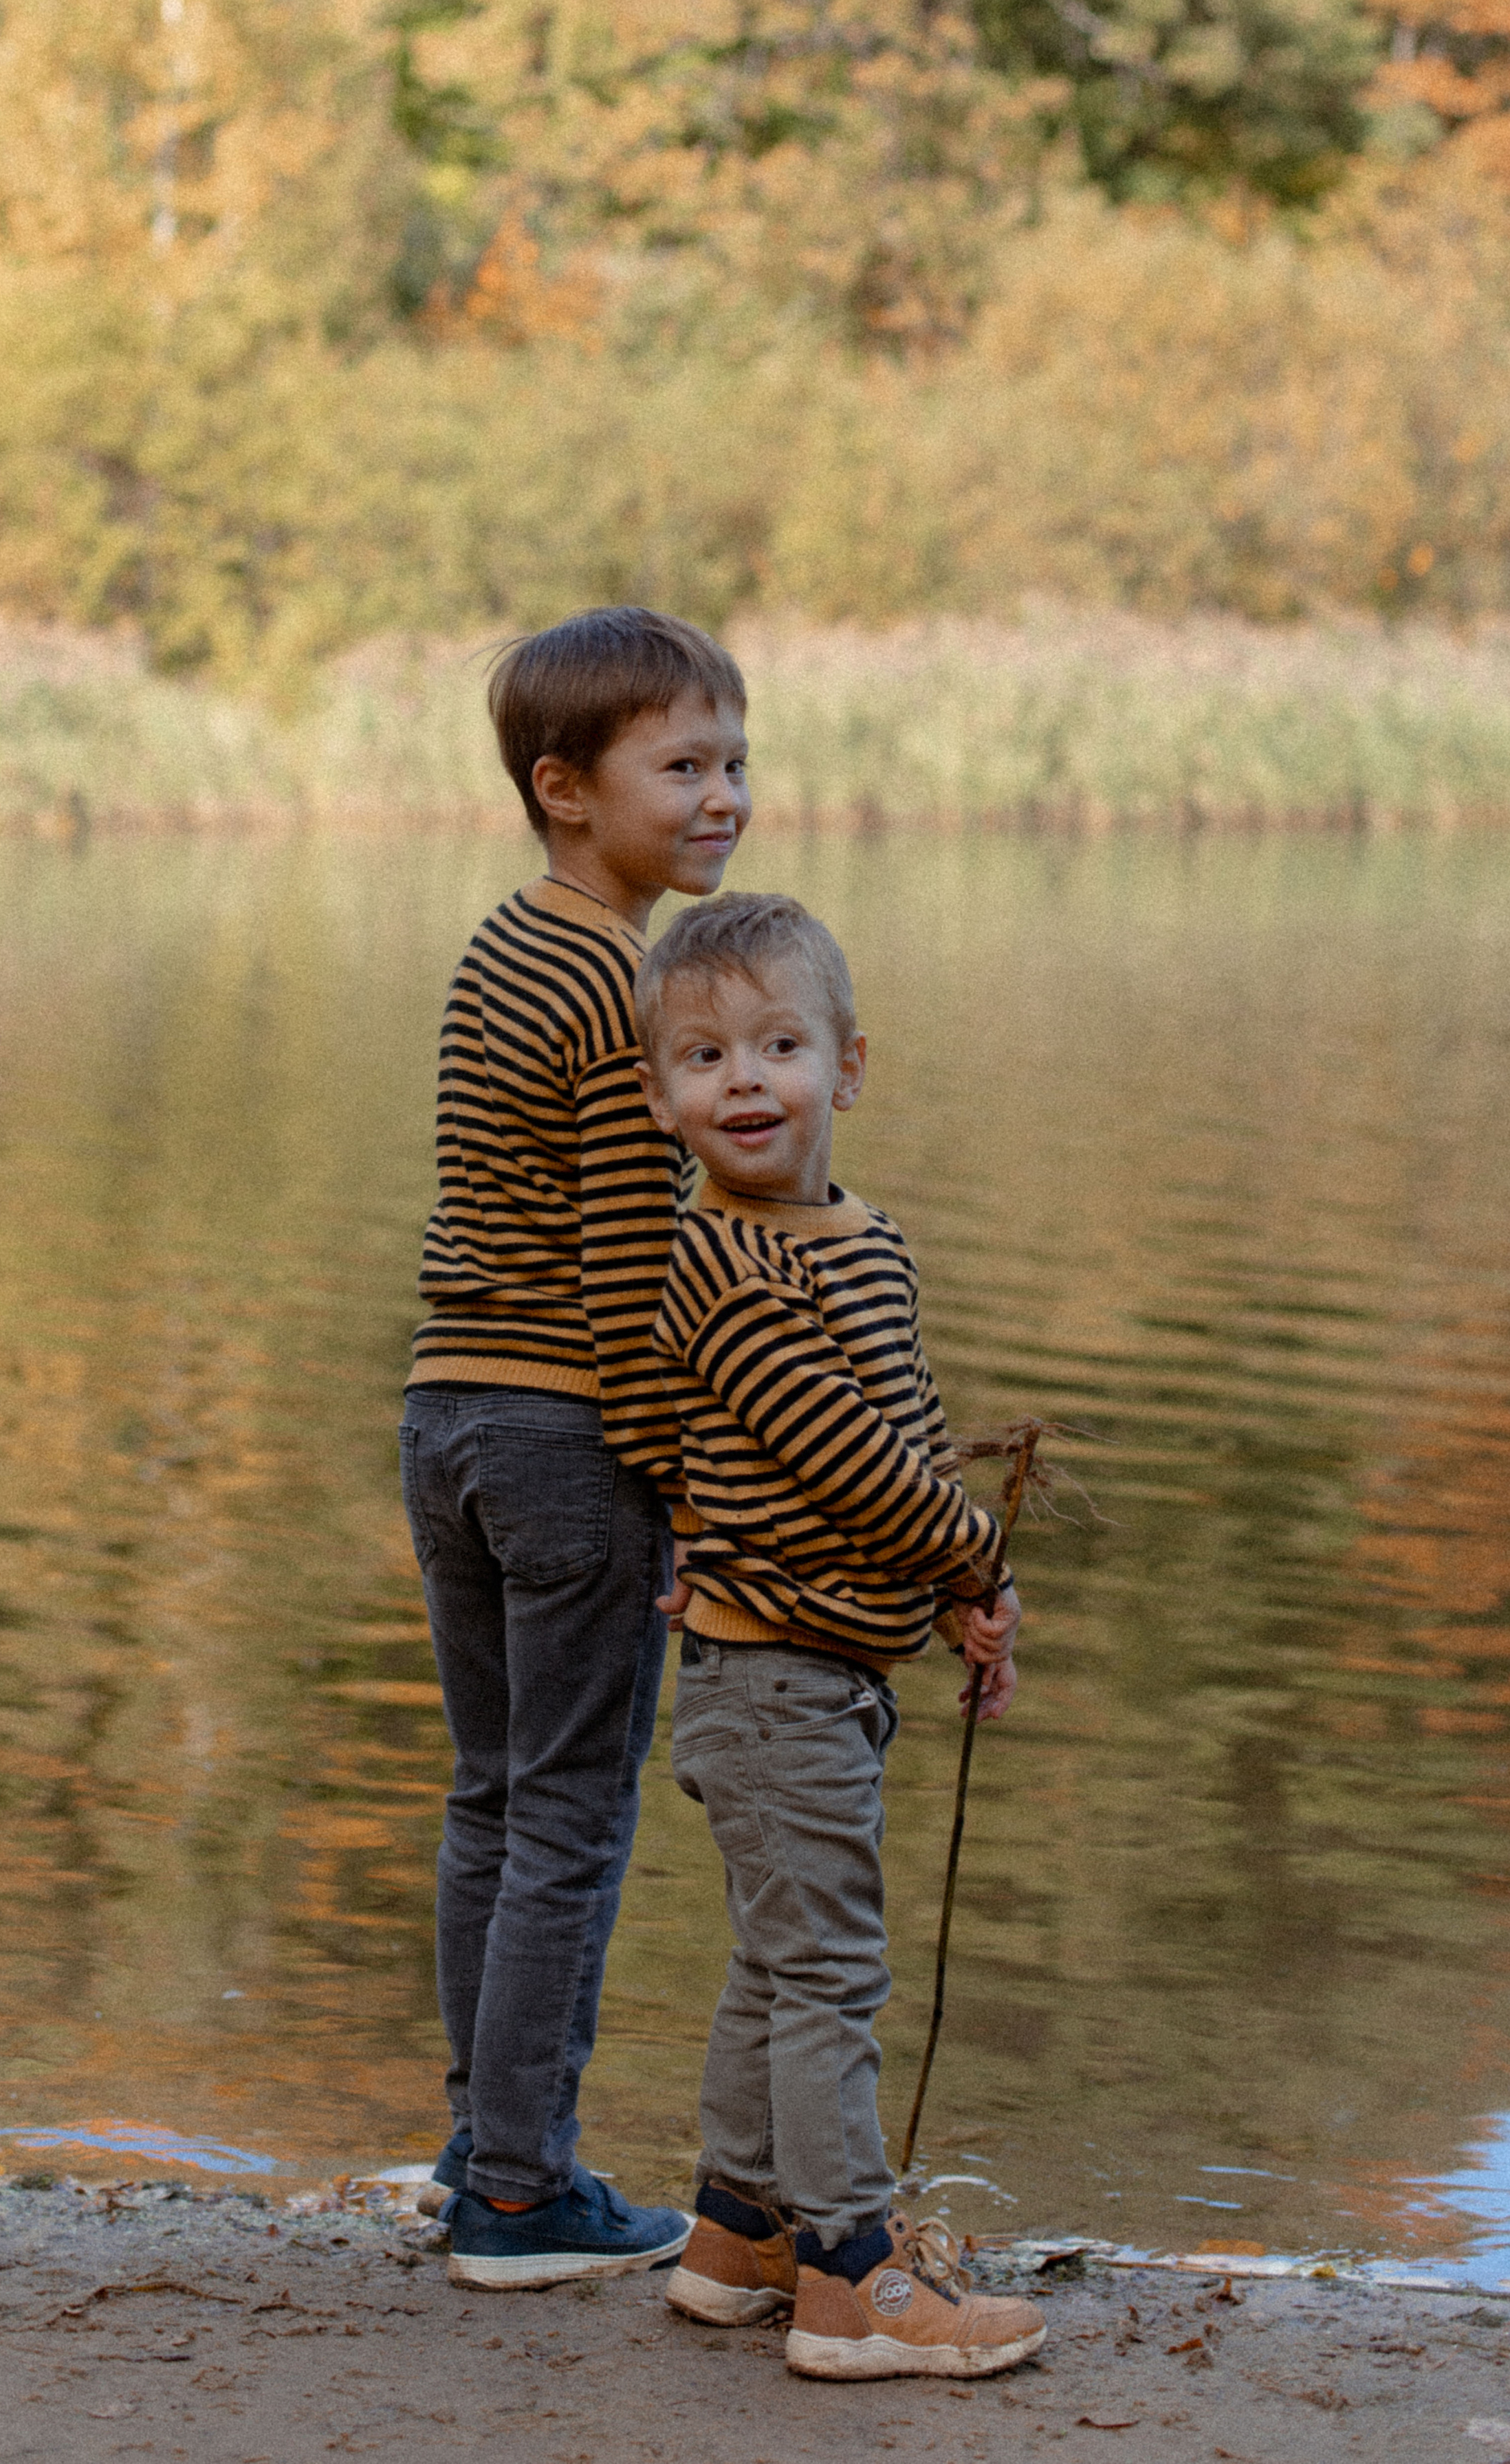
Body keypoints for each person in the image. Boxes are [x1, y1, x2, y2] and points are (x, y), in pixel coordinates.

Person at [633, 890, 1046, 2380]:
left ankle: (737, 2234)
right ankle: (850, 2280)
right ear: (657, 1094)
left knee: (776, 1962)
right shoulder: (723, 1267)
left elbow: (910, 1434)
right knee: (825, 1980)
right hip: (768, 1681)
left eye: (777, 1045)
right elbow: (849, 1464)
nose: (742, 1080)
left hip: (824, 1675)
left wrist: (955, 1599)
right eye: (702, 1056)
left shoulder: (859, 1240)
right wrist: (977, 1548)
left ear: (846, 1066)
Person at [400, 608, 749, 2290]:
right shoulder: (631, 984)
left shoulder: (501, 943)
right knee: (569, 1814)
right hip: (562, 1430)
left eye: (731, 763)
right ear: (563, 787)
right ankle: (523, 2194)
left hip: (444, 1414)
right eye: (680, 767)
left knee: (490, 1797)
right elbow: (630, 1271)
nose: (722, 796)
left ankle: (481, 2139)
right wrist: (685, 1482)